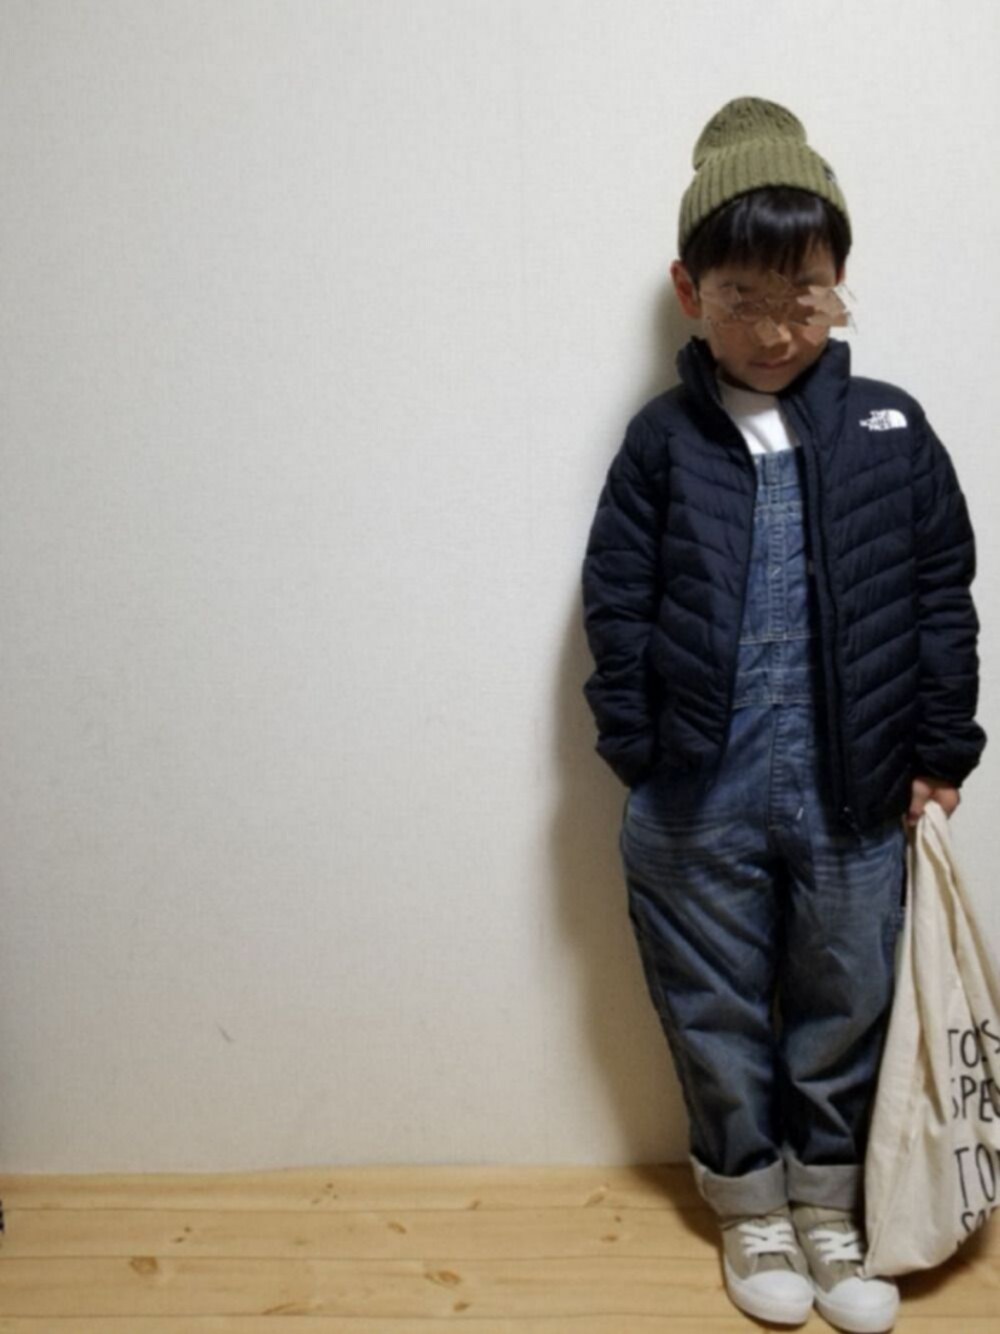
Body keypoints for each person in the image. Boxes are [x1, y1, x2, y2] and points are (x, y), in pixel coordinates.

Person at [580, 96, 986, 1333]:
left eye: (803, 297)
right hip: (694, 788)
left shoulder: (888, 427)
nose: (773, 330)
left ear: (839, 283)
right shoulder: (662, 441)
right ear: (688, 290)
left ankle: (829, 1200)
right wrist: (637, 750)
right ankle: (749, 1201)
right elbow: (615, 600)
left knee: (845, 996)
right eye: (741, 298)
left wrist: (940, 747)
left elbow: (940, 592)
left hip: (853, 784)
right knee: (710, 1004)